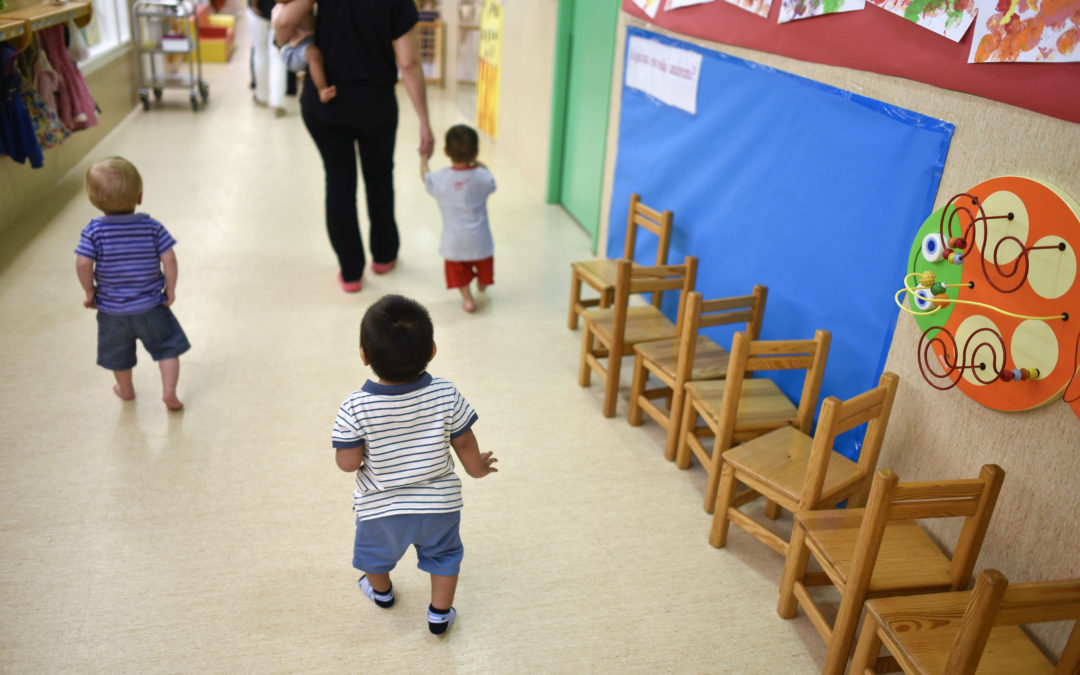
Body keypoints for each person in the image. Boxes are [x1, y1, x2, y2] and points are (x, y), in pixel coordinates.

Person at [331, 295, 497, 634]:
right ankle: (439, 613)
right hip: (439, 504)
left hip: (381, 509)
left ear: (364, 356)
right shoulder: (446, 394)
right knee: (445, 556)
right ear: (432, 350)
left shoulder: (354, 407)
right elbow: (464, 441)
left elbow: (348, 463)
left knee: (374, 557)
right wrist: (478, 468)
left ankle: (382, 593)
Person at [300, 0, 435, 293]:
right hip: (376, 104)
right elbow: (408, 63)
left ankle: (351, 273)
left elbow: (282, 19)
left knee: (338, 182)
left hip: (326, 103)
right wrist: (424, 121)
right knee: (379, 177)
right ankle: (384, 256)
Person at [74, 157, 191, 411]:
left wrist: (89, 291)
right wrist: (170, 289)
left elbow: (83, 263)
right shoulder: (152, 227)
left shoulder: (93, 231)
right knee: (168, 348)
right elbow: (168, 258)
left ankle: (125, 390)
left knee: (119, 356)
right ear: (139, 196)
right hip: (151, 307)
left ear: (94, 201)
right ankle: (169, 392)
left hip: (112, 311)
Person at [422, 124, 496, 313]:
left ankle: (467, 298)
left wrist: (424, 159)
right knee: (484, 267)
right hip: (480, 241)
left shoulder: (440, 178)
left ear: (446, 151)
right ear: (476, 152)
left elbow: (426, 178)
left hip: (454, 243)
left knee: (458, 272)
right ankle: (482, 282)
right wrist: (476, 163)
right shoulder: (481, 176)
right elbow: (491, 182)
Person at [270, 0, 335, 103]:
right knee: (313, 54)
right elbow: (282, 27)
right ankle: (322, 89)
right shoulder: (279, 9)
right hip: (292, 49)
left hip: (306, 44)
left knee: (314, 54)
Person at [247, 0, 287, 117]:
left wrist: (254, 3)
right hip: (281, 9)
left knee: (260, 53)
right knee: (278, 56)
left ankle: (261, 96)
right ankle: (277, 103)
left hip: (258, 11)